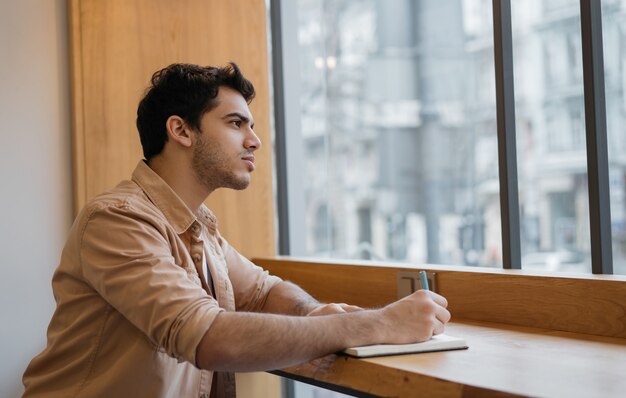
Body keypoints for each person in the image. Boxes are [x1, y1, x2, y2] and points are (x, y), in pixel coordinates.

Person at [22, 63, 451, 398]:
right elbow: (207, 337)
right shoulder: (117, 219)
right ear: (180, 130)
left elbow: (263, 291)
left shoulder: (199, 227)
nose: (255, 140)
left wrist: (312, 312)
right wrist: (374, 325)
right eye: (235, 123)